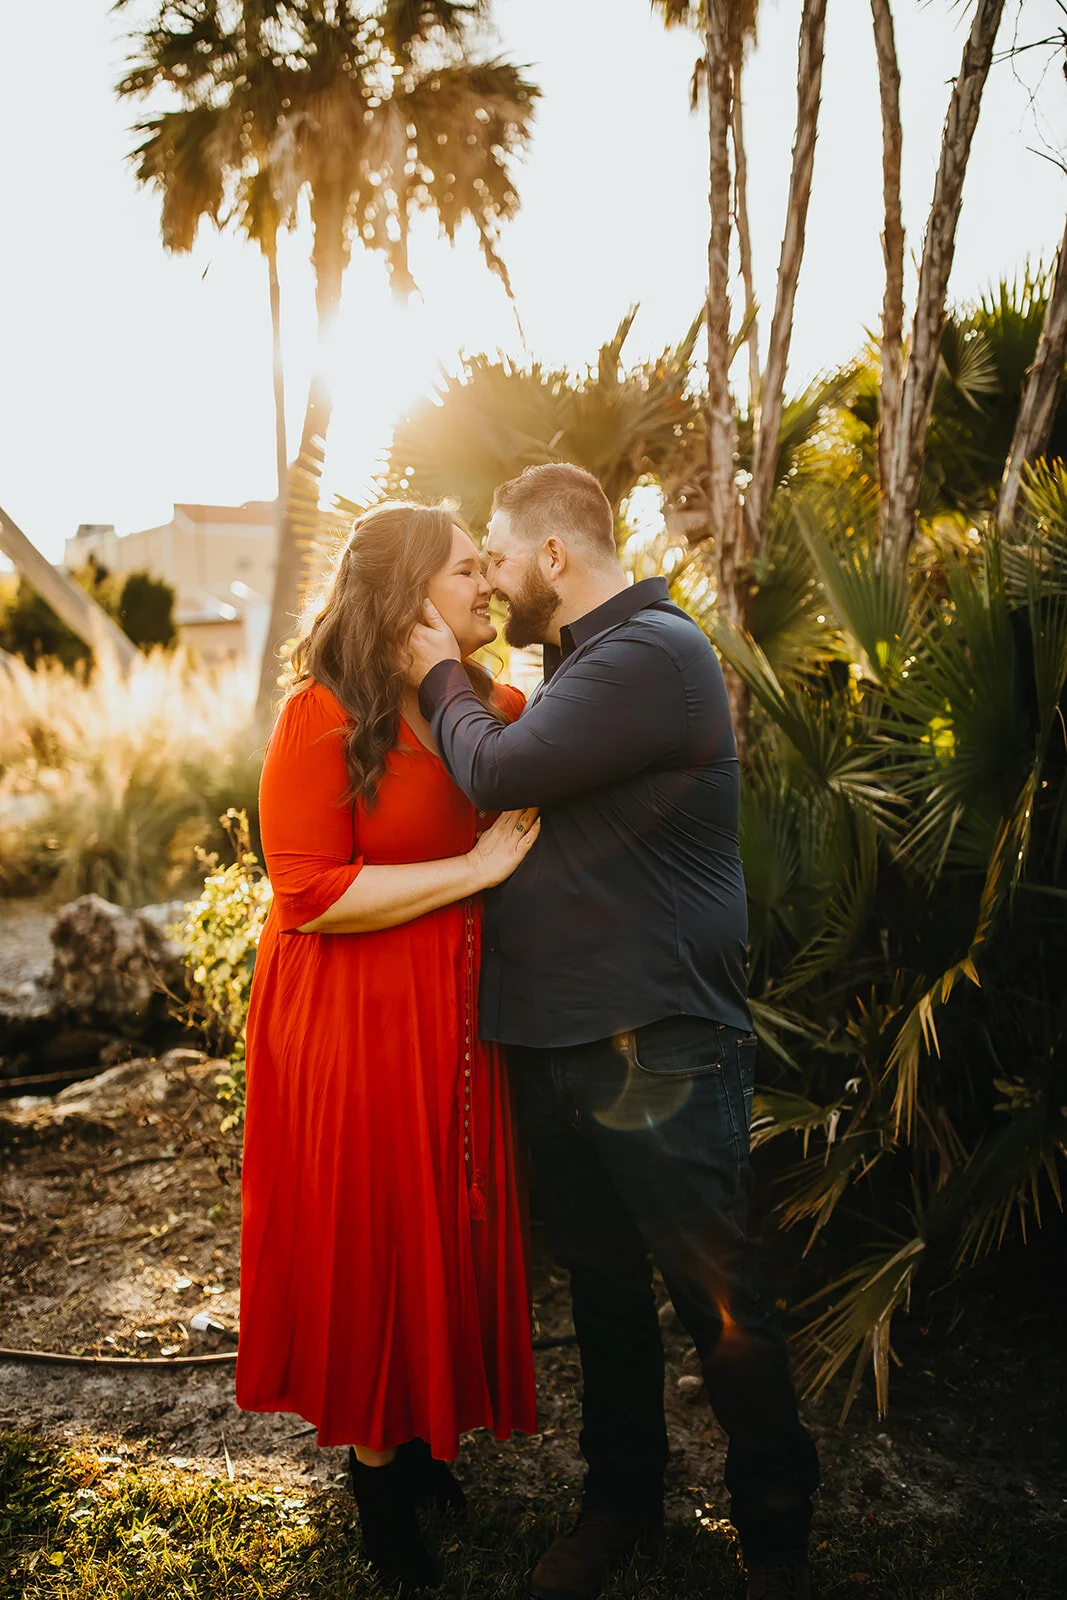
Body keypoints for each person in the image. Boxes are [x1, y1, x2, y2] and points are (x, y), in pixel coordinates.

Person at [407, 463, 821, 1600]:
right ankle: (620, 1502)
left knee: (715, 1294)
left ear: (551, 557)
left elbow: (493, 768)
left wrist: (434, 666)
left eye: (494, 552)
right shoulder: (580, 668)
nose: (486, 572)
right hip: (561, 1043)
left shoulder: (654, 655)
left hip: (663, 1042)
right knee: (599, 1288)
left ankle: (776, 1541)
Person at [236, 501, 540, 1592]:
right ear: (409, 592)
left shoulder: (482, 704)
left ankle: (418, 1437)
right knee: (373, 1223)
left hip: (454, 1016)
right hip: (351, 1016)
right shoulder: (317, 716)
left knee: (441, 1214)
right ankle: (375, 1477)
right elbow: (307, 894)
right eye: (465, 571)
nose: (485, 588)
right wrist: (471, 873)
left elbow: (551, 732)